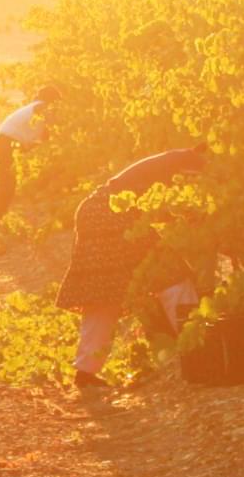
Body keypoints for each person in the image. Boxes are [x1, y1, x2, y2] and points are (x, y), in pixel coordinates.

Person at [55, 146, 207, 391]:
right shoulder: (192, 166)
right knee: (172, 276)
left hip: (98, 210)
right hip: (112, 213)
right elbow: (187, 213)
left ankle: (85, 372)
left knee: (103, 293)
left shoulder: (180, 159)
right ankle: (198, 350)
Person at [0, 86, 60, 231]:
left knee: (8, 185)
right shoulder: (41, 107)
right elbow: (50, 129)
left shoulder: (32, 109)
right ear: (51, 100)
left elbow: (42, 138)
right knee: (6, 184)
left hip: (8, 143)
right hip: (8, 143)